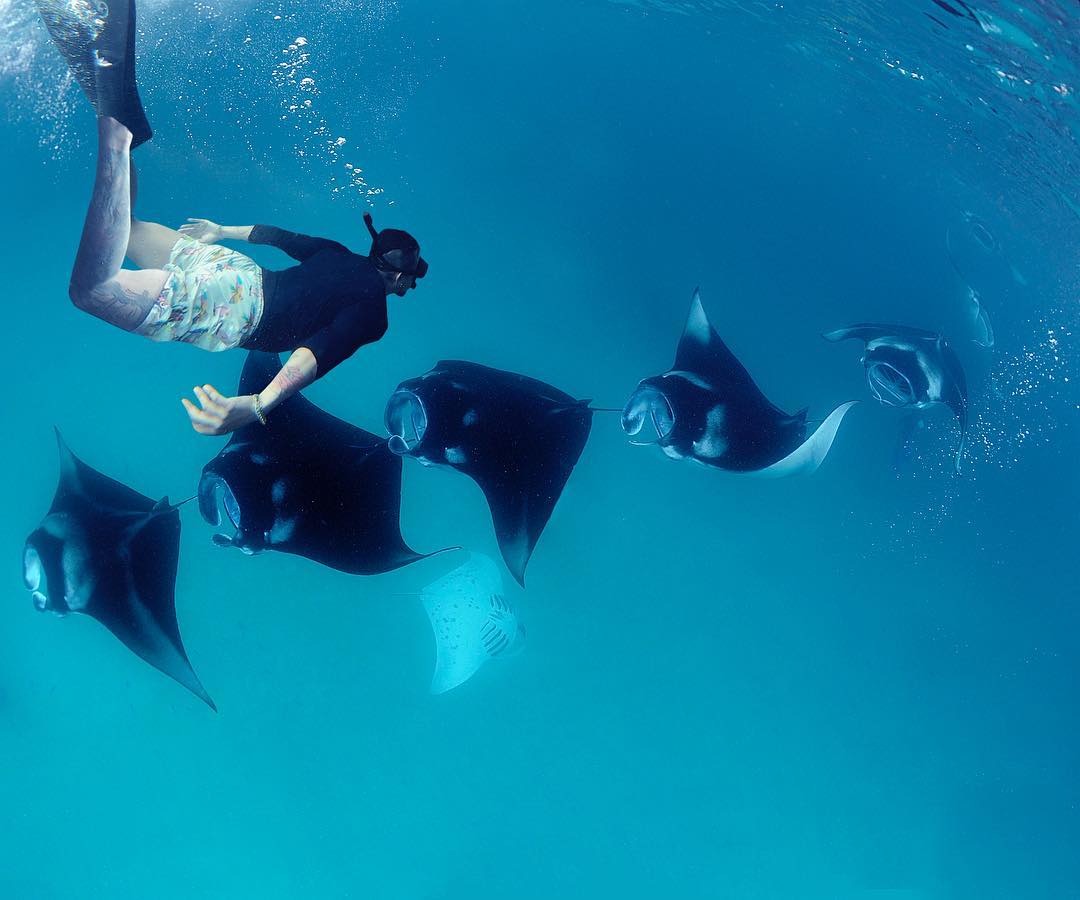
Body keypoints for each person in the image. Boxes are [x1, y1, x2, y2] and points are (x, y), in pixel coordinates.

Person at [38, 0, 427, 437]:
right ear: (396, 274)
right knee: (91, 290)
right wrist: (259, 405)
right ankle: (116, 133)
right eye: (412, 277)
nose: (411, 285)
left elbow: (277, 235)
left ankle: (114, 114)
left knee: (122, 227)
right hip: (235, 307)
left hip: (237, 271)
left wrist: (220, 231)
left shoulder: (339, 253)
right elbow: (319, 352)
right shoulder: (374, 311)